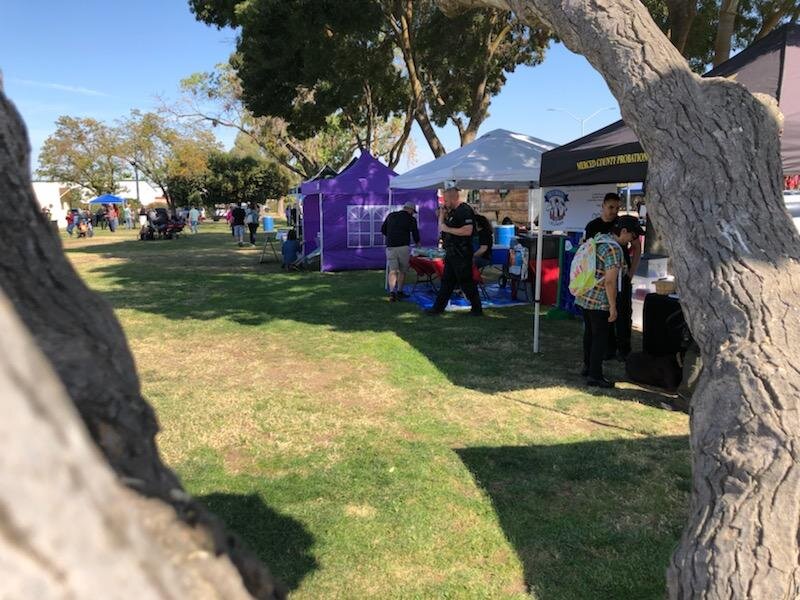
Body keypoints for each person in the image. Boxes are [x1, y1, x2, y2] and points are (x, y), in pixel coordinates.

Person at [577, 215, 643, 388]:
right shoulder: (613, 250)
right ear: (623, 231)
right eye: (633, 236)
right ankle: (595, 375)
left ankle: (587, 366)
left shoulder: (600, 239)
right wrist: (613, 307)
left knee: (589, 333)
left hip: (586, 295)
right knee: (600, 337)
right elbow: (610, 281)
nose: (633, 240)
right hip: (599, 300)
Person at [584, 192, 641, 360]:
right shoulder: (593, 226)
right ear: (603, 206)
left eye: (617, 208)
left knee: (624, 313)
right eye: (610, 207)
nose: (613, 211)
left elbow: (637, 247)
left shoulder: (622, 223)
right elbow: (588, 250)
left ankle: (624, 349)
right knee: (606, 312)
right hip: (602, 277)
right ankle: (608, 348)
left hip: (621, 276)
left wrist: (631, 272)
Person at [426, 187, 482, 316]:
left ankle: (477, 309)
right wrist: (441, 214)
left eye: (445, 200)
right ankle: (437, 309)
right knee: (446, 282)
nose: (444, 203)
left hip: (462, 253)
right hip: (452, 253)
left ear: (453, 198)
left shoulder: (464, 210)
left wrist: (447, 229)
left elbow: (467, 231)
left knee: (466, 282)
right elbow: (441, 228)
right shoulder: (452, 212)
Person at [381, 201, 420, 301]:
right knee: (402, 271)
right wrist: (418, 244)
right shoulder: (411, 219)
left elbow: (383, 230)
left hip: (390, 247)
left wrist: (391, 237)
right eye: (413, 211)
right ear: (410, 210)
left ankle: (391, 293)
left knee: (392, 271)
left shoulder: (391, 215)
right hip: (403, 247)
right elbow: (415, 233)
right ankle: (399, 292)